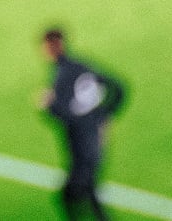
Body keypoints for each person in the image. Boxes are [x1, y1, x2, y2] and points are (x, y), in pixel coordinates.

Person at [39, 28, 126, 220]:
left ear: (50, 47)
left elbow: (64, 114)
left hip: (81, 145)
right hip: (96, 137)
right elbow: (119, 87)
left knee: (70, 196)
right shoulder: (81, 65)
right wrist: (106, 116)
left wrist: (48, 105)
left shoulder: (61, 76)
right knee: (89, 191)